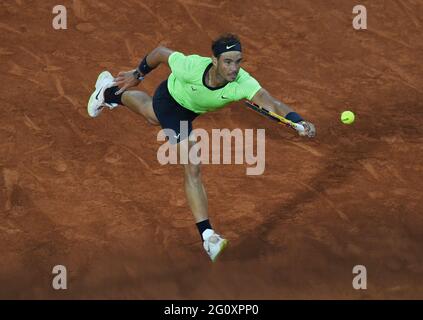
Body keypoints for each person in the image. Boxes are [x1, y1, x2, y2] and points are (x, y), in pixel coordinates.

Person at [87, 33, 316, 262]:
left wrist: (299, 120)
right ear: (214, 61)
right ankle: (208, 237)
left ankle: (108, 92)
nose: (234, 68)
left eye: (238, 61)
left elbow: (272, 102)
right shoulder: (191, 67)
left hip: (191, 110)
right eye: (227, 61)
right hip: (170, 100)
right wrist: (137, 74)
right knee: (192, 166)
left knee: (151, 116)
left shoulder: (242, 82)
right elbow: (159, 53)